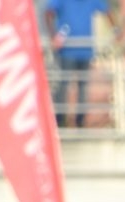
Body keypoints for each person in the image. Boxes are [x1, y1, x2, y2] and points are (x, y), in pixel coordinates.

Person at [42, 0, 112, 129]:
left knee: (82, 86)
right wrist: (53, 36)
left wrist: (116, 31)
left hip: (85, 50)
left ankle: (80, 120)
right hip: (67, 50)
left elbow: (107, 10)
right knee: (64, 84)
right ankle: (60, 120)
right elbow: (48, 13)